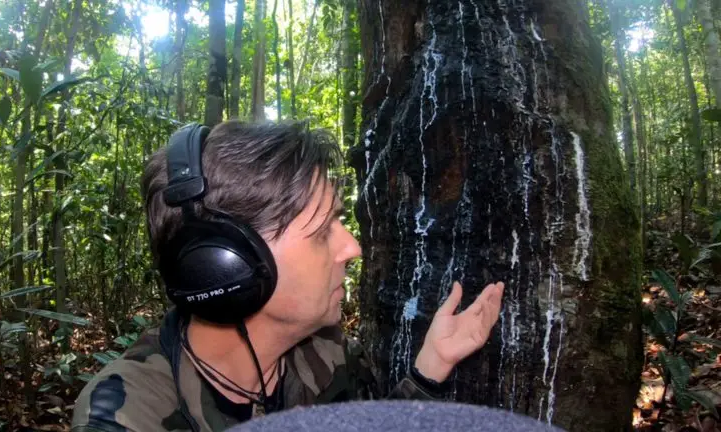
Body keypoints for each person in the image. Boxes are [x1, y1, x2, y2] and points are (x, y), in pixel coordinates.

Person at [71, 120, 505, 432]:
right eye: (322, 233)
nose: (352, 247)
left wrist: (431, 368)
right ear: (228, 265)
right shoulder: (127, 415)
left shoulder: (328, 353)